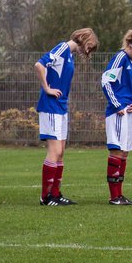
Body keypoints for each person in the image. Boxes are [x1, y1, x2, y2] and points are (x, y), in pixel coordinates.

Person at [35, 28, 100, 205]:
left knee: (61, 152)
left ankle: (55, 193)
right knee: (54, 151)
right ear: (83, 39)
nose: (88, 52)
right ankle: (45, 196)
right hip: (50, 107)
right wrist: (47, 88)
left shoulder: (69, 54)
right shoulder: (63, 48)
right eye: (89, 47)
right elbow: (39, 65)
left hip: (61, 107)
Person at [101, 28, 132, 205]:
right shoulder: (120, 58)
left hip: (129, 110)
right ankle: (114, 196)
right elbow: (106, 81)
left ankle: (120, 195)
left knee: (125, 152)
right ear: (130, 46)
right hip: (117, 112)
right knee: (117, 150)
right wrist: (117, 104)